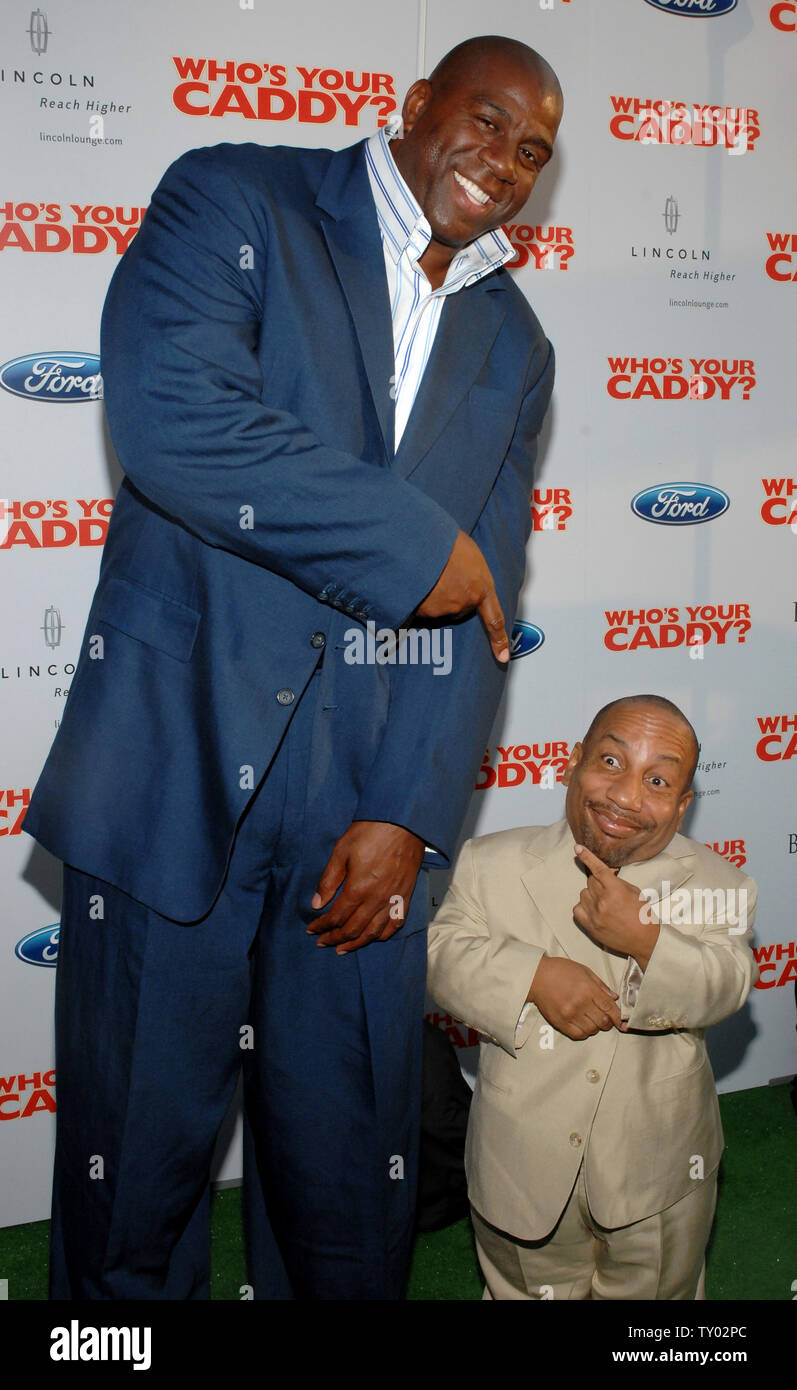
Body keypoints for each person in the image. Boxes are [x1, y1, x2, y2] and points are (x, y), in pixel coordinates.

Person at [23, 36, 563, 1299]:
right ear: (416, 103)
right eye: (483, 120)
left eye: (532, 149)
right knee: (131, 1191)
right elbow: (176, 422)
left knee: (341, 1190)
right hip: (175, 768)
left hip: (365, 813)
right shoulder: (234, 195)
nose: (502, 160)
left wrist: (409, 809)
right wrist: (415, 547)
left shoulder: (512, 338)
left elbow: (481, 608)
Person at [426, 694, 758, 1300]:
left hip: (658, 1172)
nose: (626, 796)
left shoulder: (720, 882)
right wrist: (533, 975)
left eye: (657, 779)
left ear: (683, 805)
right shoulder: (490, 861)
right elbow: (441, 957)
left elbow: (728, 981)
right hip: (518, 1165)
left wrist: (645, 939)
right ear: (574, 761)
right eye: (610, 761)